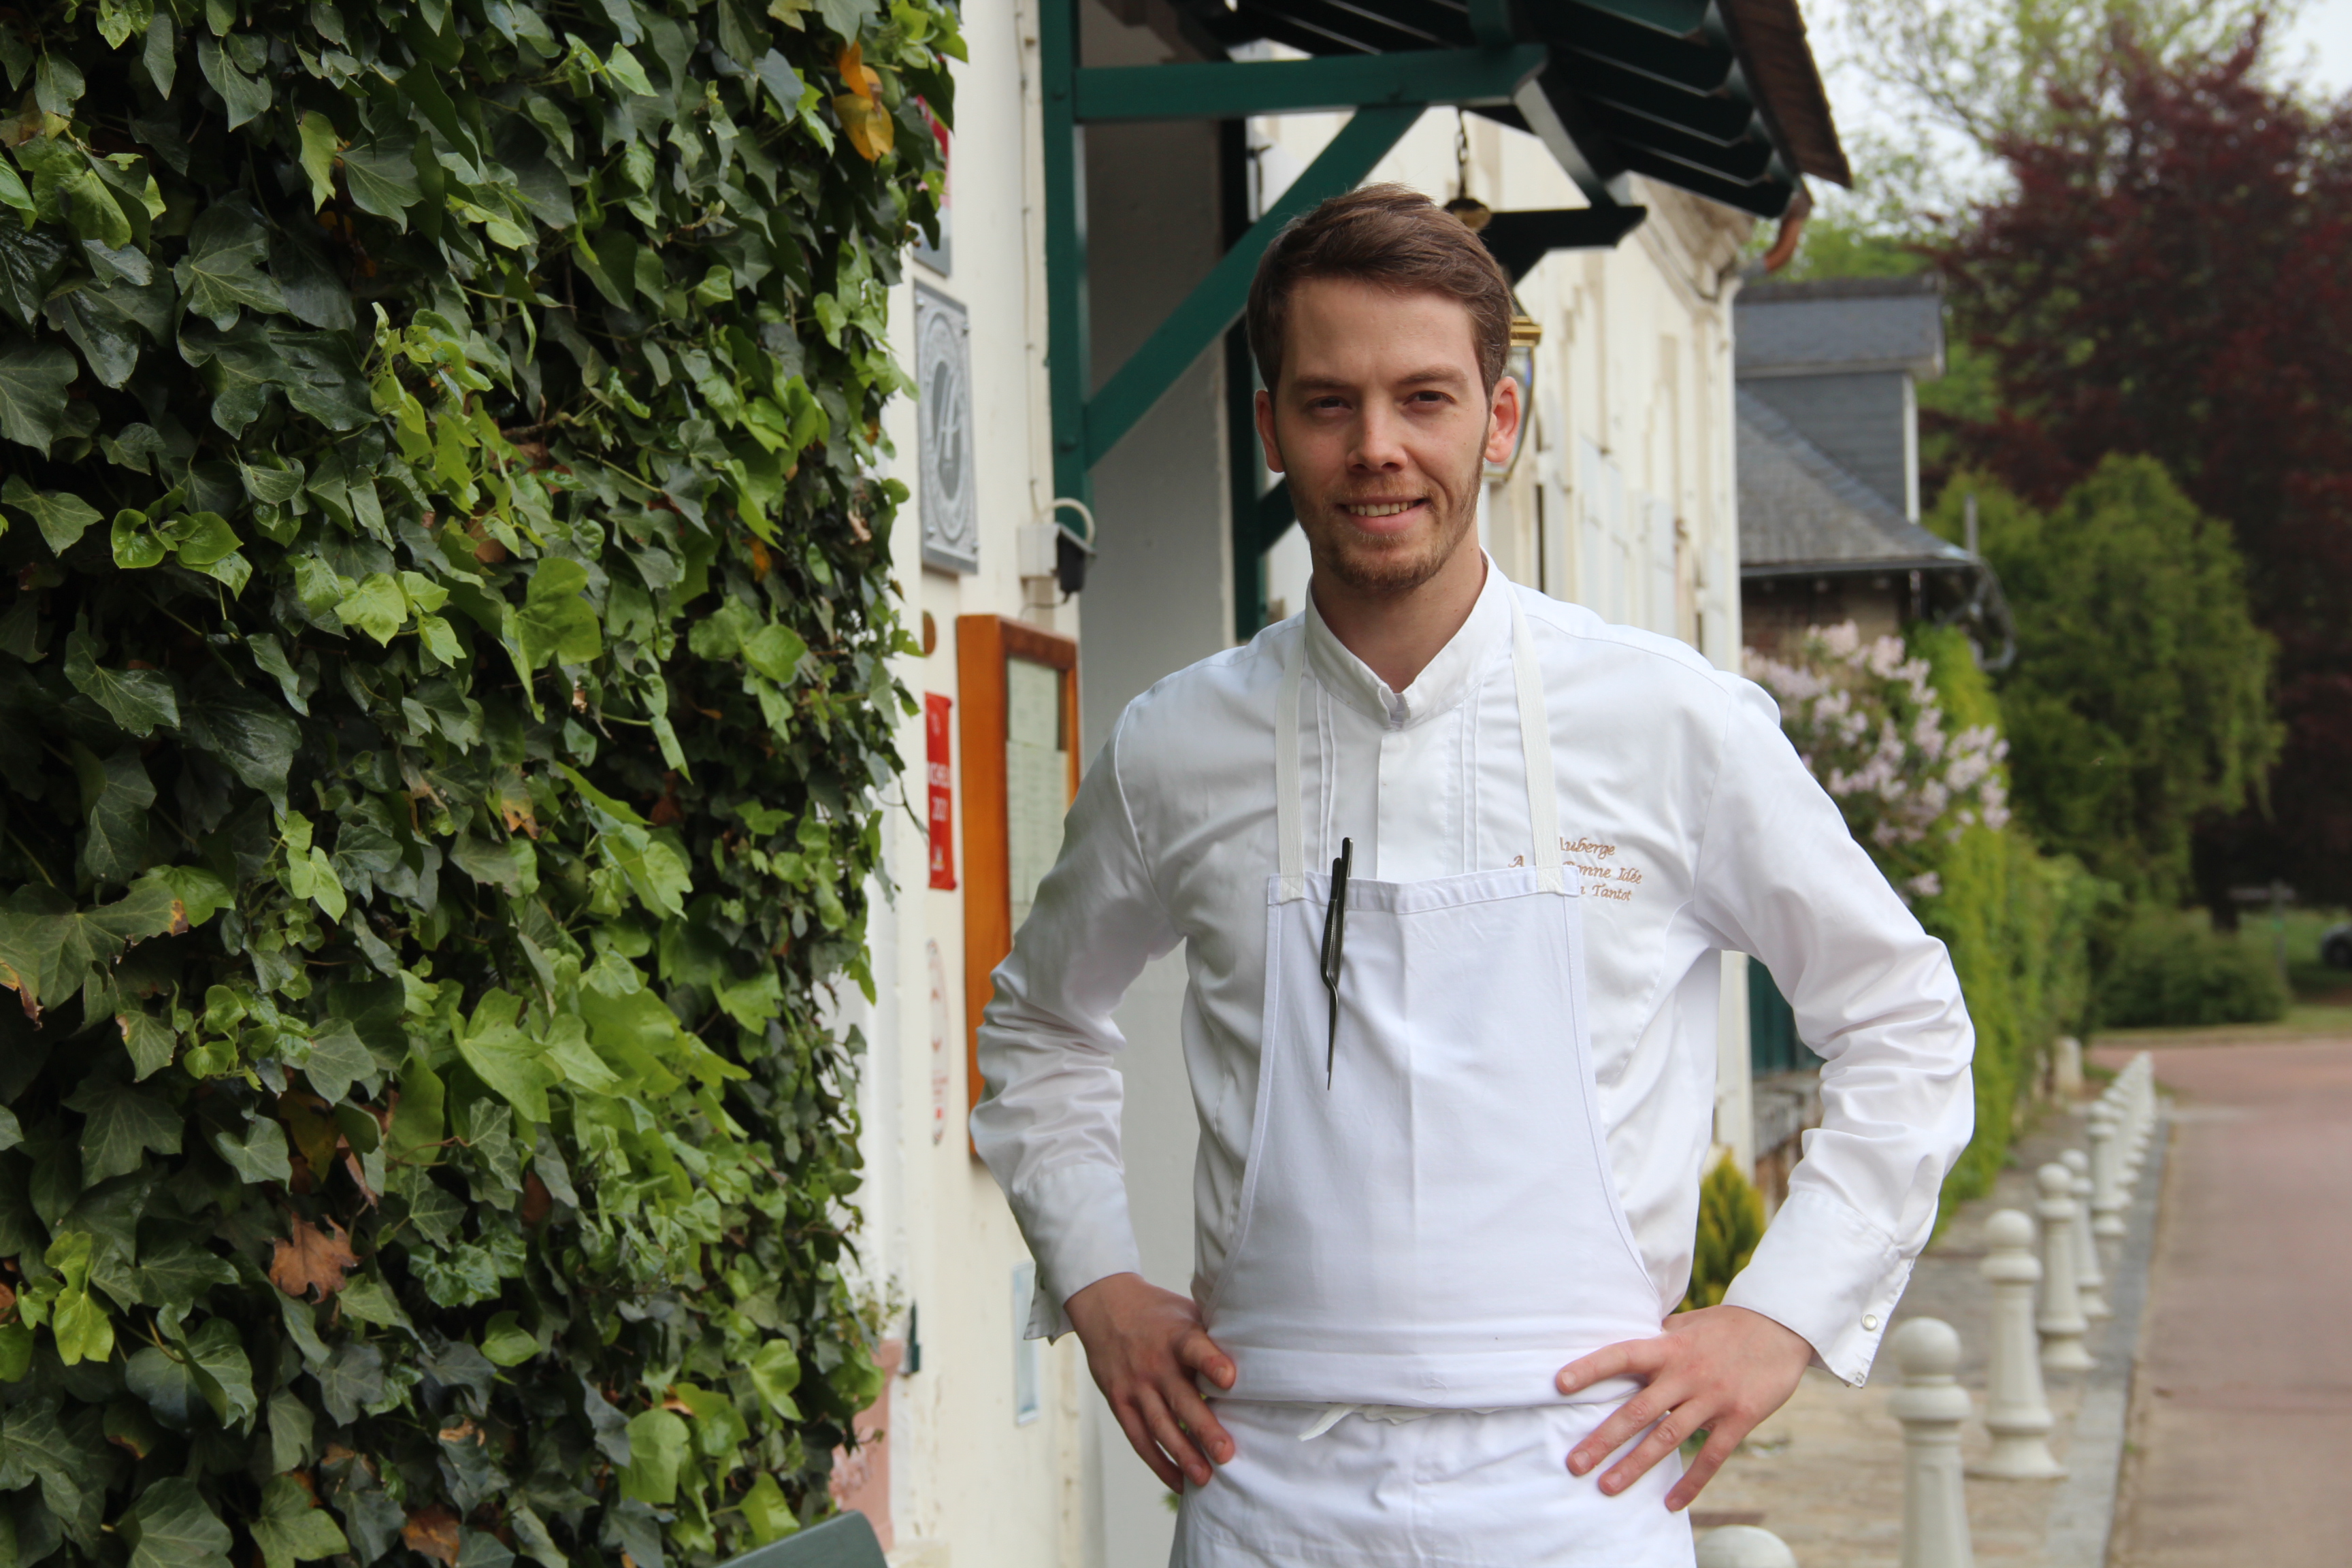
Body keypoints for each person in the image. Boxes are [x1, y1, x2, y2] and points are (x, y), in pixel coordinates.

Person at [972, 184, 1974, 1567]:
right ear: (1269, 430)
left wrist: (1778, 1315)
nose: (1377, 448)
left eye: (1425, 399)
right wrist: (1095, 1279)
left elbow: (1904, 1018)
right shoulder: (1177, 746)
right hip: (1266, 1492)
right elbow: (1039, 1023)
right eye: (1328, 404)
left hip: (1578, 1486)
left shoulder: (1670, 724)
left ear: (1500, 421)